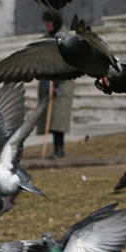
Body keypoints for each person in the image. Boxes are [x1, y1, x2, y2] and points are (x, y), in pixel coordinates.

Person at [36, 10, 75, 159]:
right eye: (46, 22)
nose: (47, 25)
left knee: (59, 117)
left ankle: (60, 149)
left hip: (62, 84)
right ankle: (55, 148)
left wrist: (59, 73)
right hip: (47, 82)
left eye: (50, 22)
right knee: (50, 117)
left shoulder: (67, 38)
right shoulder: (45, 39)